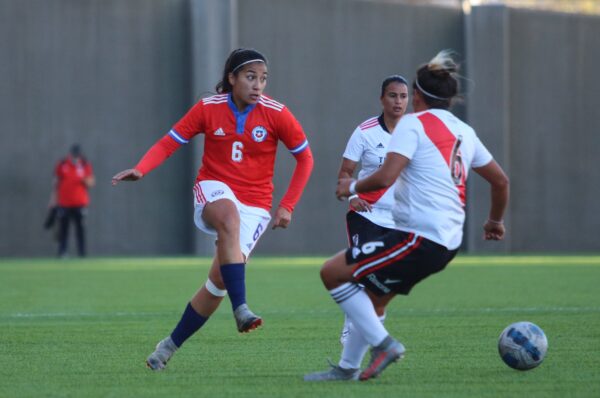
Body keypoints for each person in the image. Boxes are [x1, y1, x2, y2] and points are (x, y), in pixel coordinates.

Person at [304, 50, 509, 382]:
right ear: (451, 99)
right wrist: (495, 222)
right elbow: (501, 181)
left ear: (415, 96)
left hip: (419, 237)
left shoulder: (412, 124)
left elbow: (386, 177)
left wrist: (351, 186)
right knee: (373, 298)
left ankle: (384, 345)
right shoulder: (464, 131)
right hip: (446, 241)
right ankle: (347, 368)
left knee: (332, 273)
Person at [112, 48, 314, 371]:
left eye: (263, 79)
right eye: (250, 77)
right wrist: (141, 168)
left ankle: (167, 347)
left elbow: (306, 159)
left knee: (218, 281)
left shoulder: (277, 113)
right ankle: (242, 308)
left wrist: (287, 206)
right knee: (228, 218)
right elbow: (169, 142)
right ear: (231, 78)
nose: (258, 85)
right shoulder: (208, 108)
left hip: (256, 205)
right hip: (213, 189)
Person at [337, 76, 409, 354]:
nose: (398, 102)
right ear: (382, 99)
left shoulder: (415, 132)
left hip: (400, 219)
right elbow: (344, 174)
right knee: (363, 270)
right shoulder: (365, 132)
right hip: (366, 215)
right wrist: (353, 197)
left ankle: (373, 330)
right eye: (393, 96)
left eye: (403, 96)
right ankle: (351, 328)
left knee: (384, 279)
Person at [49, 144, 95, 258]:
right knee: (63, 229)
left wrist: (84, 179)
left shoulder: (84, 164)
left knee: (80, 229)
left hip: (80, 203)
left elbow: (91, 182)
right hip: (64, 203)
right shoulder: (63, 164)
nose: (75, 157)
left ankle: (82, 253)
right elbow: (55, 182)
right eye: (73, 155)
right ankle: (62, 252)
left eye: (77, 155)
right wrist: (53, 200)